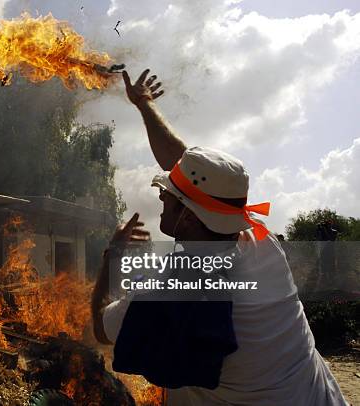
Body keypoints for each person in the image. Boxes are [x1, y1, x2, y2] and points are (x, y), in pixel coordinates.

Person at [91, 69, 347, 405]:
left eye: (169, 195)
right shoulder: (258, 239)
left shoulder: (170, 291)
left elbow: (99, 326)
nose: (160, 198)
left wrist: (111, 257)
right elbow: (189, 169)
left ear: (188, 214)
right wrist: (144, 105)